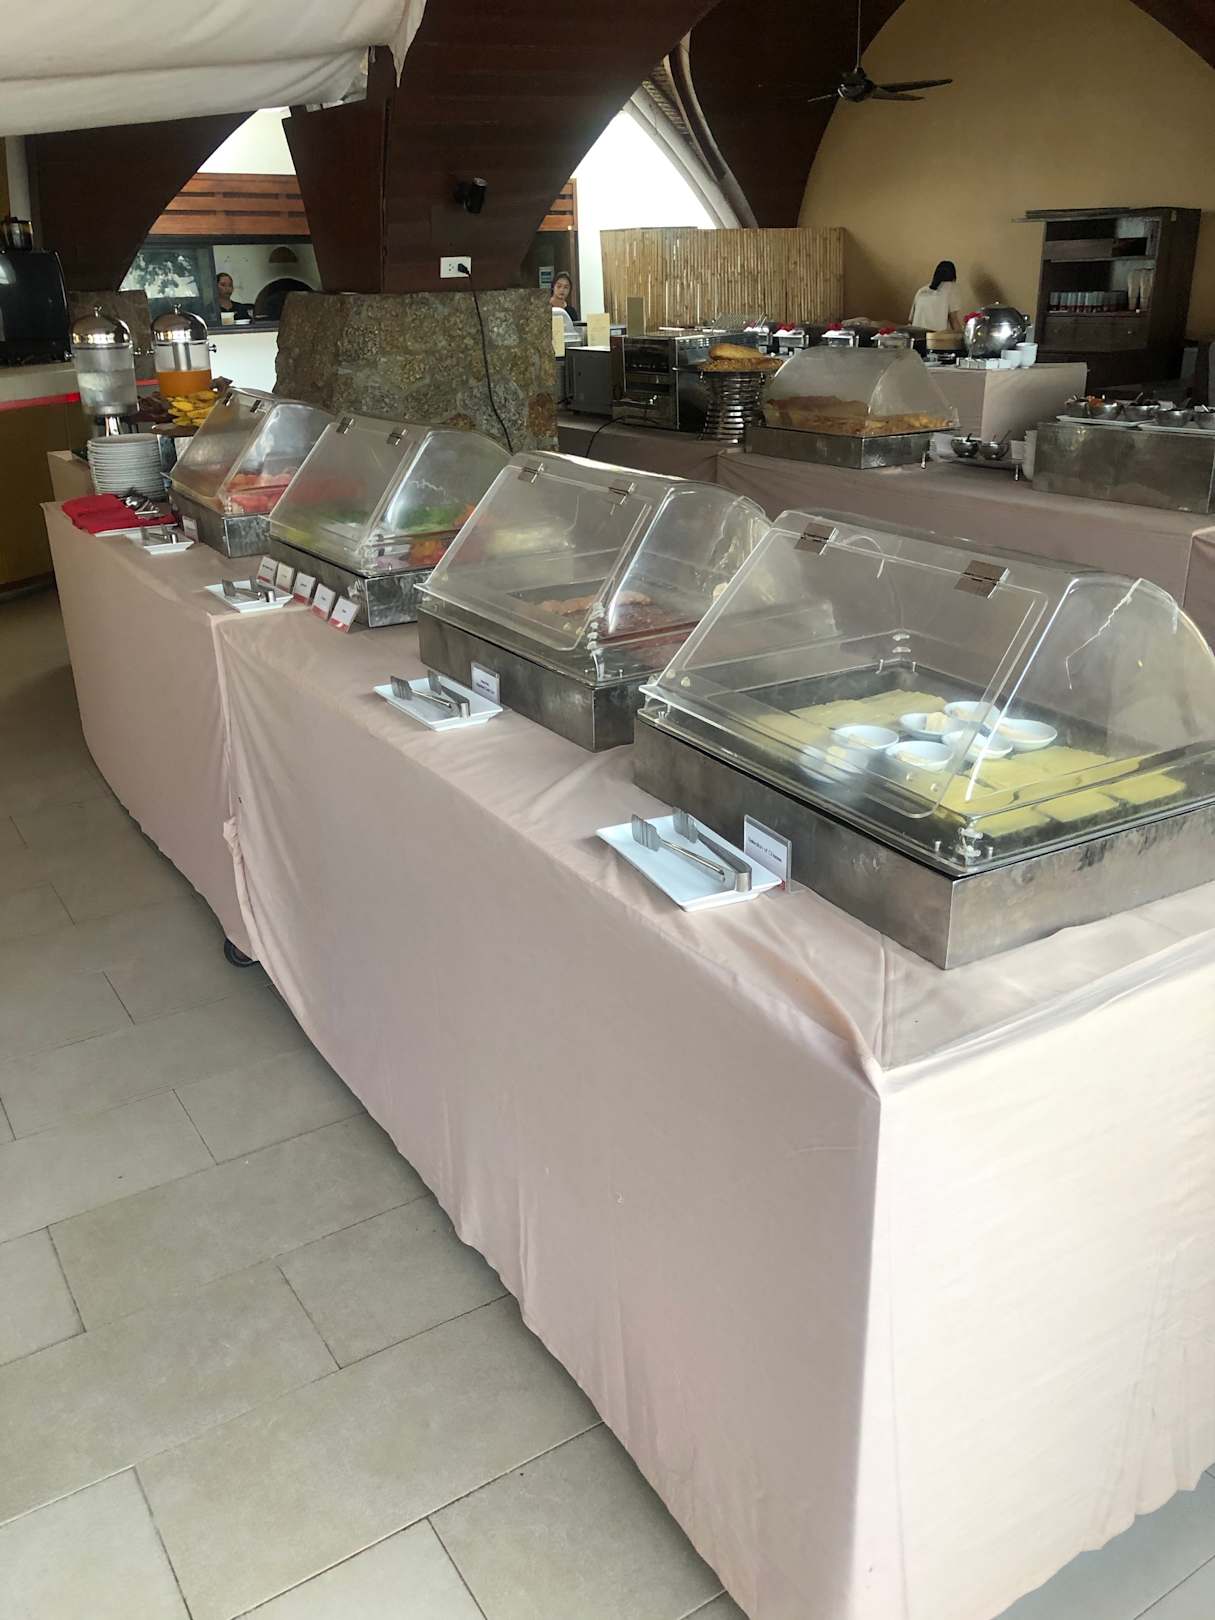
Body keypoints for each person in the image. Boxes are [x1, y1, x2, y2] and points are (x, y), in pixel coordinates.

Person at [909, 261, 962, 331]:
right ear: (954, 277)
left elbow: (911, 320)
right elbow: (954, 321)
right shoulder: (951, 288)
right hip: (936, 336)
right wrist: (964, 335)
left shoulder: (921, 290)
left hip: (915, 334)